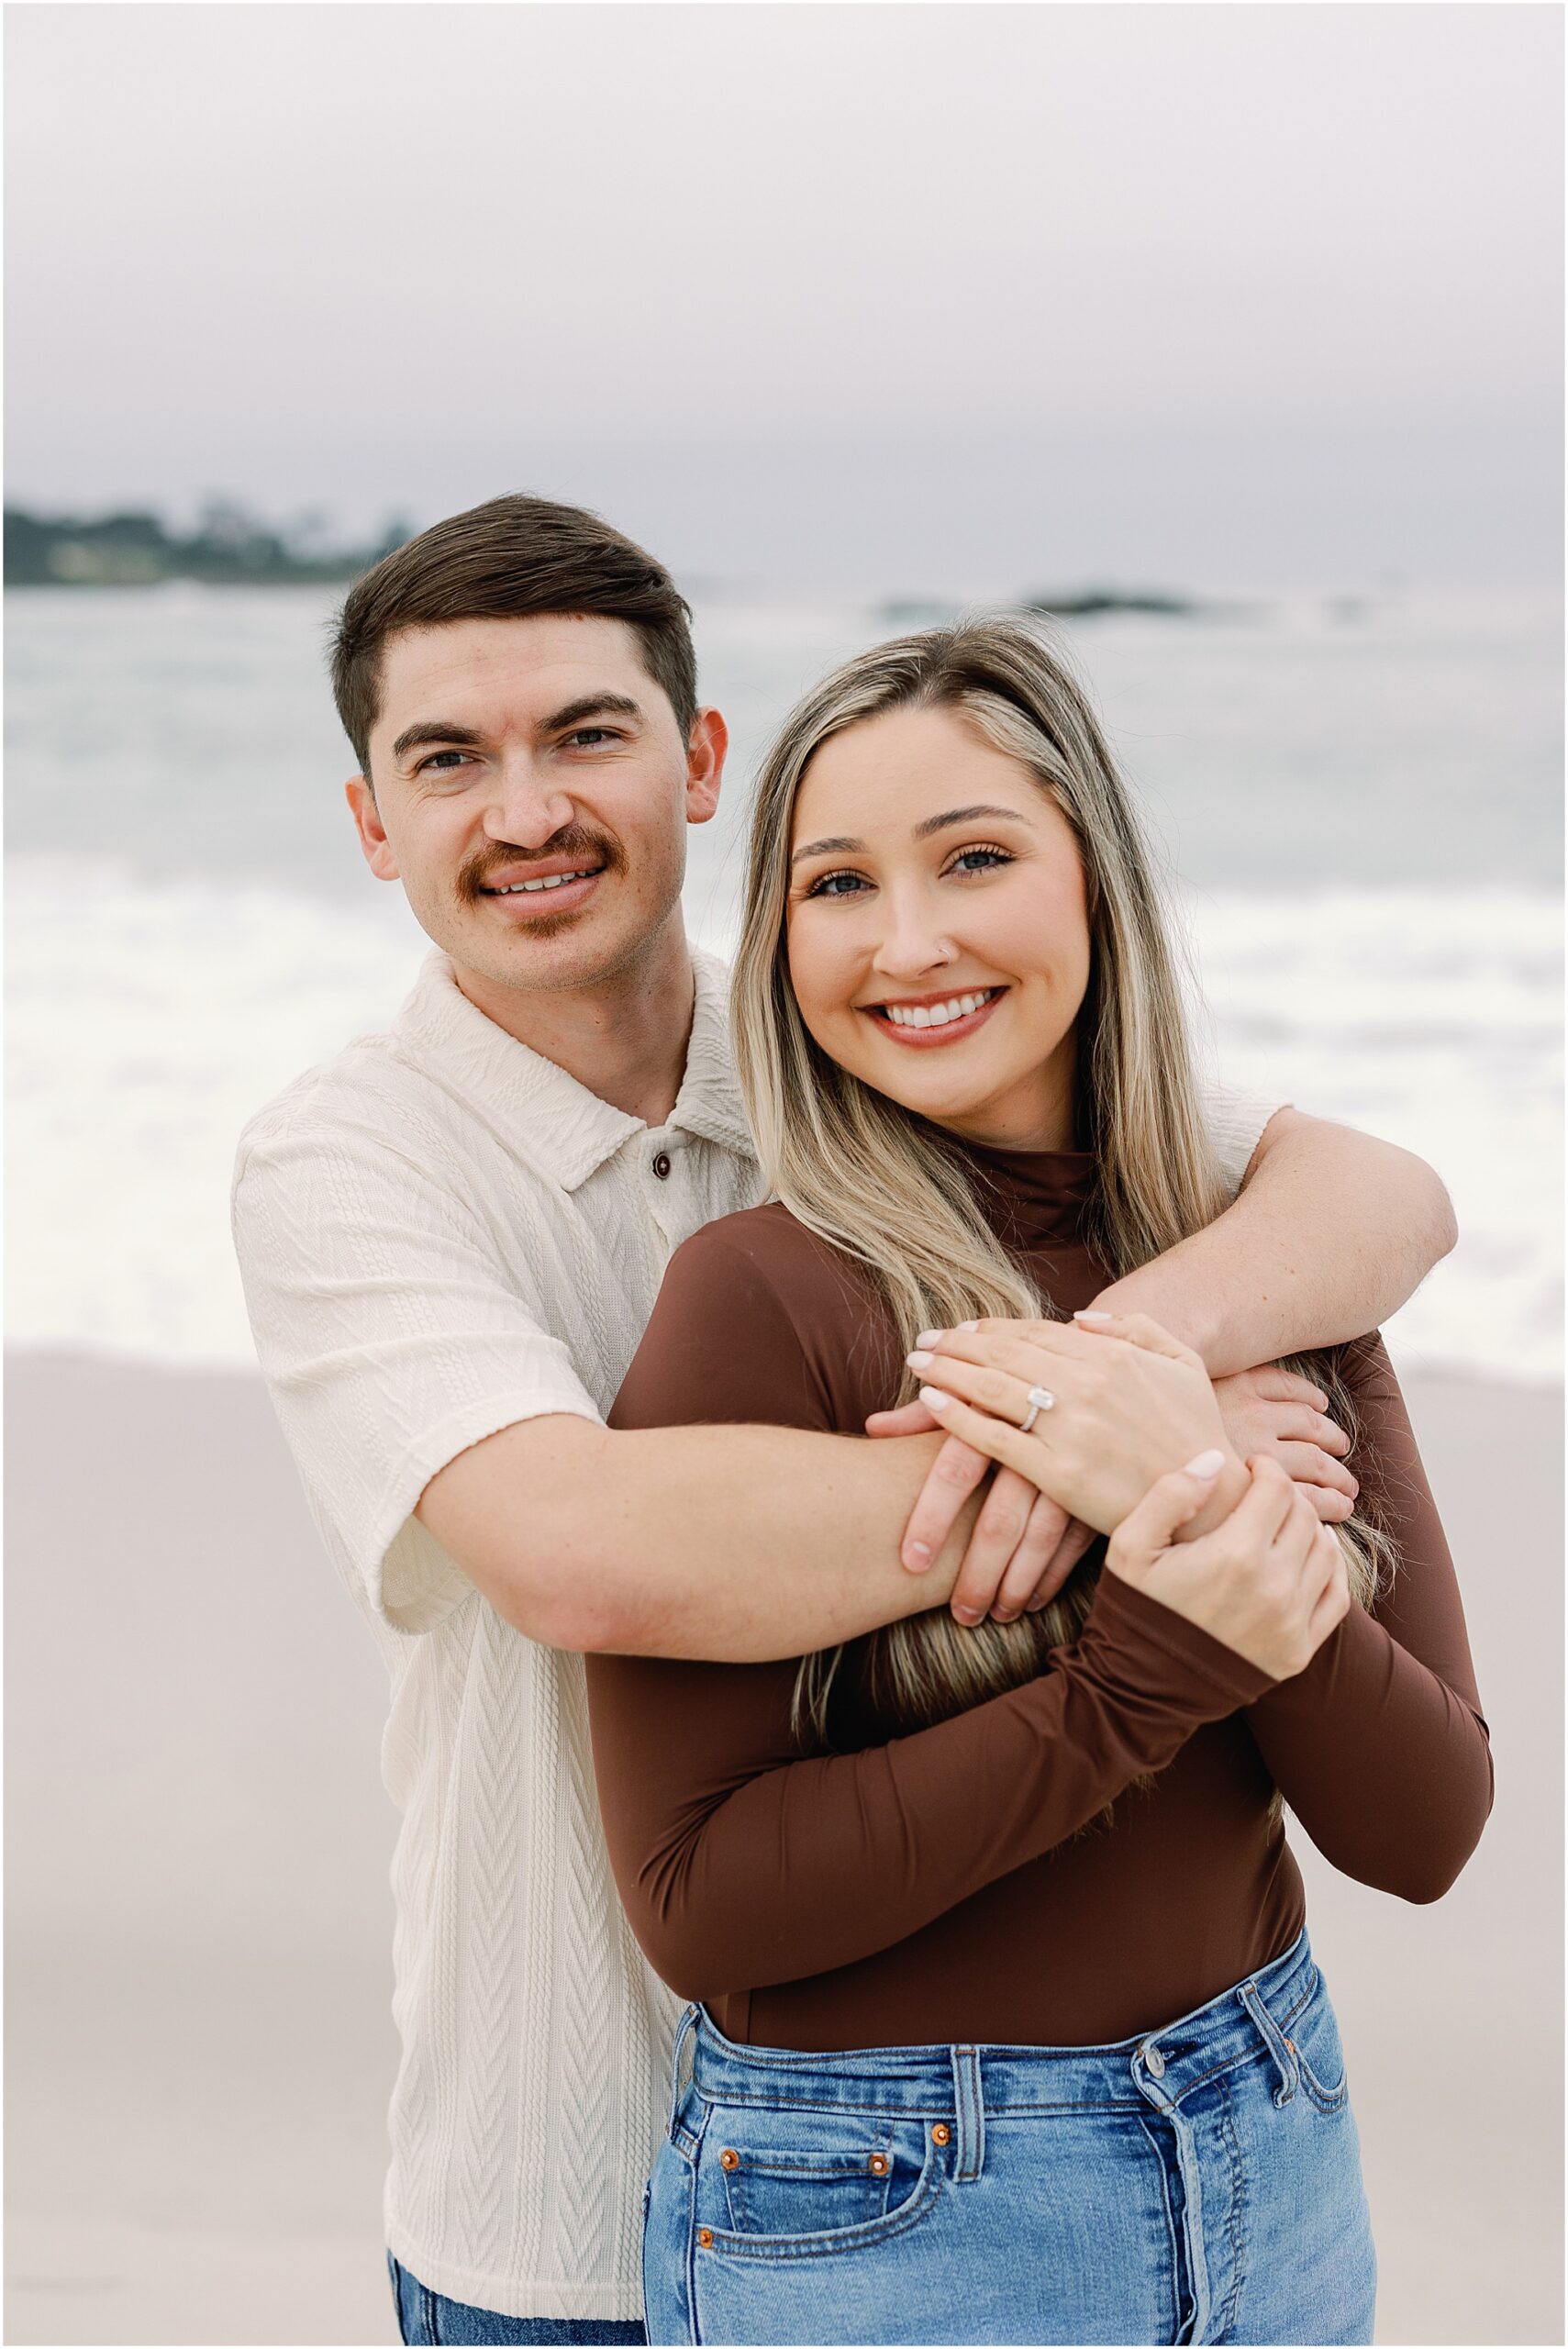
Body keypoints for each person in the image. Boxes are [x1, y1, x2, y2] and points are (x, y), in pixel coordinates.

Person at [231, 497, 1459, 2346]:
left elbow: (1366, 1193)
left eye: (585, 734)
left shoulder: (879, 1026)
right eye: (449, 758)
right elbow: (576, 1549)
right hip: (569, 2167)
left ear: (697, 761)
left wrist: (1136, 1364)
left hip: (1196, 2126)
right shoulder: (348, 1160)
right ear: (371, 821)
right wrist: (1146, 1472)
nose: (527, 809)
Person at [585, 617, 1492, 2346]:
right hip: (890, 2206)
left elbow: (1425, 1826)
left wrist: (1188, 1478)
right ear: (776, 943)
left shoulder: (1260, 1267)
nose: (906, 941)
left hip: (1269, 2132)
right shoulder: (761, 1297)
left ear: (1094, 878)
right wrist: (1153, 1647)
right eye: (835, 885)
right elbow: (703, 1906)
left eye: (974, 857)